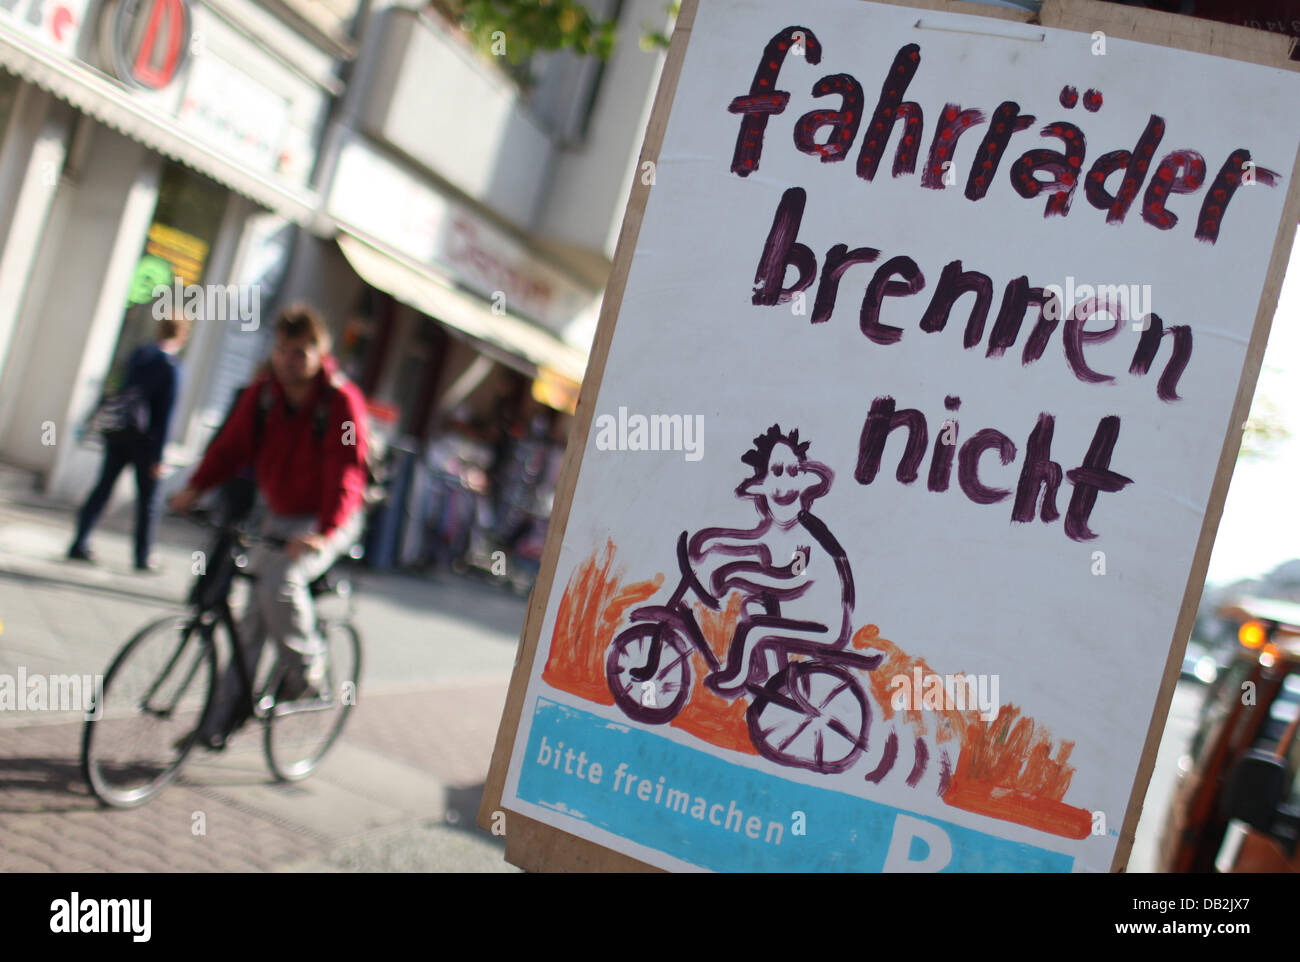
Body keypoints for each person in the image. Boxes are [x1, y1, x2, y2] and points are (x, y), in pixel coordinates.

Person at [169, 305, 369, 746]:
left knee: (279, 580)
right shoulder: (264, 394)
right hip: (279, 513)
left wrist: (325, 531)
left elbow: (348, 472)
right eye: (282, 350)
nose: (288, 360)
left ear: (320, 352)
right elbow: (230, 447)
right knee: (250, 622)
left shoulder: (339, 400)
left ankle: (307, 673)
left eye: (299, 352)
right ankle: (218, 722)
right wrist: (196, 488)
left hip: (329, 517)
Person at [69, 314, 189, 571]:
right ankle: (143, 556)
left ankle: (79, 541)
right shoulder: (171, 366)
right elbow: (165, 414)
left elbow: (122, 388)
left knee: (103, 487)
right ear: (181, 335)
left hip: (121, 432)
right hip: (147, 441)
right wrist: (158, 455)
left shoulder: (140, 355)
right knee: (148, 501)